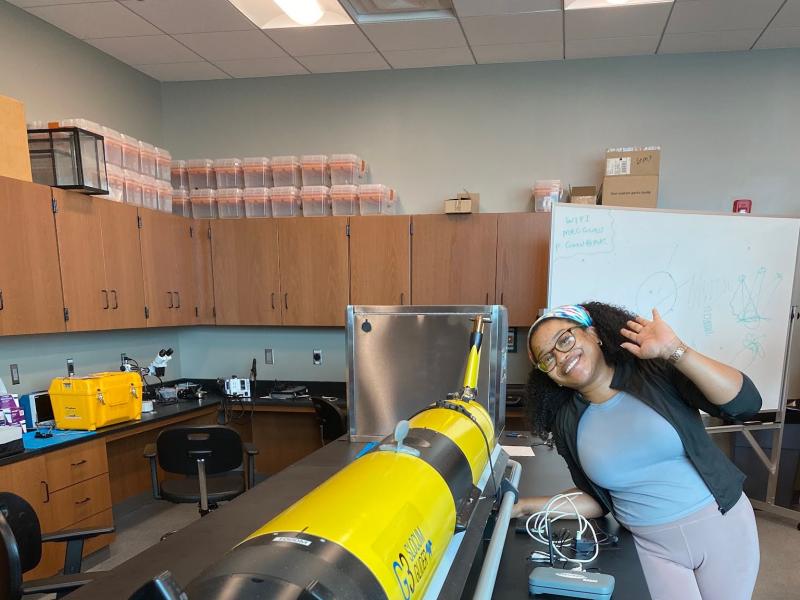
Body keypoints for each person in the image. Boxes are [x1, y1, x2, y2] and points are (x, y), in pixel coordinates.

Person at [515, 301, 762, 600]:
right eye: (547, 358)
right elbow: (596, 499)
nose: (561, 356)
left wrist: (675, 349)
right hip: (652, 549)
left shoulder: (653, 369)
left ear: (592, 333)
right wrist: (526, 506)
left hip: (723, 527)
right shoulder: (567, 422)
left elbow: (745, 404)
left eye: (565, 340)